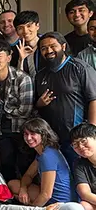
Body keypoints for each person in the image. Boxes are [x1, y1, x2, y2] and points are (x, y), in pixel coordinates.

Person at [34, 31, 96, 170]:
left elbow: (94, 98)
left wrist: (91, 131)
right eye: (43, 48)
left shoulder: (79, 67)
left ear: (63, 46)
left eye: (52, 46)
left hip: (76, 137)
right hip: (51, 139)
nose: (48, 51)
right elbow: (35, 105)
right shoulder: (41, 75)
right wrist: (40, 103)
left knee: (80, 175)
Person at [0, 40, 35, 181]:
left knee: (25, 165)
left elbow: (25, 111)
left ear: (9, 58)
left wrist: (2, 108)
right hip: (1, 130)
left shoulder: (22, 78)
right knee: (6, 165)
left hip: (23, 130)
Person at [9, 118, 73, 206]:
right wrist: (23, 189)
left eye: (33, 134)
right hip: (50, 195)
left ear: (43, 134)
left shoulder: (47, 155)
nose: (28, 138)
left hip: (59, 202)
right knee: (13, 185)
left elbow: (46, 195)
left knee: (20, 197)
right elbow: (28, 175)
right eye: (26, 134)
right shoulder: (43, 152)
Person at [71, 123, 96, 210]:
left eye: (83, 141)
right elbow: (84, 193)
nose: (80, 147)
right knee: (84, 206)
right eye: (75, 145)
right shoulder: (79, 164)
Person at [15, 11, 43, 78]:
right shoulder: (16, 49)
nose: (25, 31)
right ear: (16, 31)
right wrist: (21, 60)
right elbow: (18, 79)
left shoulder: (47, 45)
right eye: (20, 28)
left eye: (29, 26)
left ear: (37, 26)